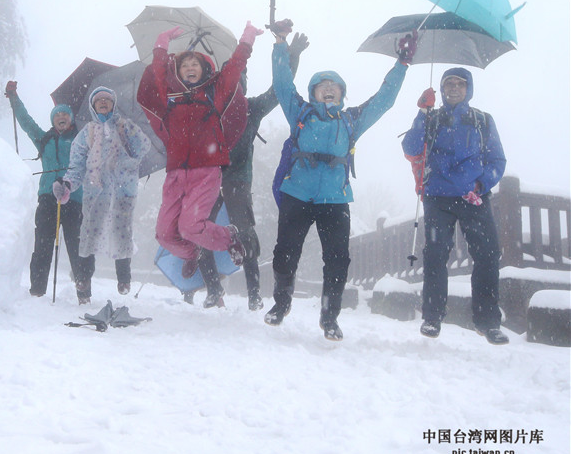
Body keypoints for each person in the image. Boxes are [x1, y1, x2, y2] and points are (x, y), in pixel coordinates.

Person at [264, 19, 412, 340]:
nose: (328, 88)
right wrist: (279, 43)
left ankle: (330, 316)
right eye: (322, 85)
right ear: (313, 93)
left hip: (335, 198)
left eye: (334, 85)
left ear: (342, 94)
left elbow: (384, 99)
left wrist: (402, 64)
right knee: (285, 253)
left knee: (337, 259)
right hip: (298, 193)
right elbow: (282, 84)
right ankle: (281, 302)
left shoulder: (351, 120)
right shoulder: (299, 112)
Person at [137, 21, 263, 308]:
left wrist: (247, 39)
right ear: (178, 71)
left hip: (206, 171)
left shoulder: (213, 93)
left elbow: (233, 69)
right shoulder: (170, 98)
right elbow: (156, 76)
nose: (190, 67)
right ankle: (192, 253)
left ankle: (230, 238)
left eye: (195, 63)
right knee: (166, 234)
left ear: (204, 68)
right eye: (184, 65)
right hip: (176, 174)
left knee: (191, 226)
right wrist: (161, 42)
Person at [196, 32, 309, 311]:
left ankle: (254, 293)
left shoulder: (251, 108)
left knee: (245, 234)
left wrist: (291, 54)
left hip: (237, 181)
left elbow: (279, 88)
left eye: (239, 82)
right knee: (197, 230)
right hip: (208, 180)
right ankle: (213, 289)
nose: (235, 87)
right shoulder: (207, 110)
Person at [402, 68, 509, 344]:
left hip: (474, 197)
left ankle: (487, 321)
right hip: (438, 197)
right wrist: (421, 113)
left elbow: (497, 160)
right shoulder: (432, 118)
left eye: (460, 84)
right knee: (436, 255)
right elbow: (411, 148)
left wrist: (481, 185)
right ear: (441, 88)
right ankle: (432, 317)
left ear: (468, 89)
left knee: (487, 254)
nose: (454, 88)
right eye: (449, 83)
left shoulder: (482, 120)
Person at [52, 86, 151, 298]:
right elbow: (76, 166)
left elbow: (143, 148)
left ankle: (124, 280)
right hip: (96, 191)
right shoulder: (86, 132)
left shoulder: (125, 125)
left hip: (124, 190)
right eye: (99, 100)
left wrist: (129, 131)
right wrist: (67, 184)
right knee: (89, 233)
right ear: (93, 105)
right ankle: (83, 281)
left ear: (113, 104)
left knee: (122, 231)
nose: (103, 102)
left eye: (107, 99)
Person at [4, 81, 95, 302]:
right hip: (47, 197)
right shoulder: (44, 138)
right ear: (53, 120)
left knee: (78, 245)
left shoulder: (81, 138)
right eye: (57, 116)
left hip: (74, 198)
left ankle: (83, 289)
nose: (61, 118)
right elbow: (26, 122)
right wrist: (14, 98)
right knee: (42, 243)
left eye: (65, 115)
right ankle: (37, 289)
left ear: (71, 119)